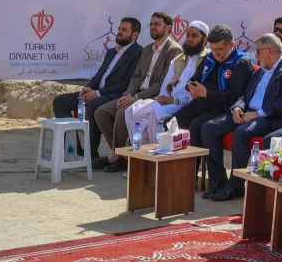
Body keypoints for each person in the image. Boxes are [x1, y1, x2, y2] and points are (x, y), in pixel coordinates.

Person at [203, 34, 282, 201]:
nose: (256, 55)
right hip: (248, 112)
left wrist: (258, 114)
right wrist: (237, 107)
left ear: (270, 51)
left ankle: (236, 185)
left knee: (241, 132)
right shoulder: (259, 71)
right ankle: (218, 181)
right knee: (209, 127)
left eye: (258, 51)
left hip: (269, 117)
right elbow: (244, 94)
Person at [91, 12, 182, 169]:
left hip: (154, 98)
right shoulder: (147, 49)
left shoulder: (173, 50)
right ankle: (120, 155)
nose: (153, 27)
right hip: (136, 94)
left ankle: (117, 157)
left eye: (157, 24)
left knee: (122, 113)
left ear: (168, 28)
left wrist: (136, 97)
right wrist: (129, 93)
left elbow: (162, 83)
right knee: (101, 112)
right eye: (151, 24)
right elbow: (136, 76)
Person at [115, 21, 209, 169]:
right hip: (169, 102)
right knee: (131, 112)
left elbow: (195, 93)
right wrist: (163, 98)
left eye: (195, 36)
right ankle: (141, 159)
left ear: (205, 39)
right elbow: (165, 85)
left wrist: (173, 100)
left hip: (186, 104)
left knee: (153, 113)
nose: (190, 39)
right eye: (188, 35)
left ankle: (155, 162)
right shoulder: (179, 59)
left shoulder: (207, 61)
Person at [52, 16, 143, 161]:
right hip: (97, 92)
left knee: (95, 104)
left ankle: (90, 153)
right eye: (119, 28)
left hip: (115, 95)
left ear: (135, 35)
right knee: (60, 101)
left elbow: (127, 83)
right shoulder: (112, 52)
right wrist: (87, 88)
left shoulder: (138, 53)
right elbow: (99, 76)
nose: (119, 32)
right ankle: (75, 150)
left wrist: (99, 93)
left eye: (124, 30)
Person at [173, 24, 254, 146]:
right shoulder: (209, 57)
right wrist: (192, 89)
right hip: (200, 103)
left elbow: (234, 96)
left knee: (196, 126)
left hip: (221, 108)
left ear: (231, 45)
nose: (215, 53)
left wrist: (206, 93)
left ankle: (198, 159)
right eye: (213, 49)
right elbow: (193, 80)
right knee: (172, 121)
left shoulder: (241, 62)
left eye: (219, 49)